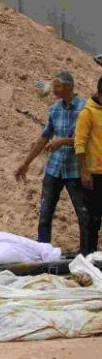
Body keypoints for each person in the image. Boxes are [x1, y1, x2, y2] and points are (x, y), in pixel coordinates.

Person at [14, 71, 87, 253]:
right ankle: (43, 252)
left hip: (75, 170)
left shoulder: (84, 109)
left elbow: (87, 139)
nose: (53, 90)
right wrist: (26, 163)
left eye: (58, 87)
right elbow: (44, 137)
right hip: (54, 169)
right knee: (45, 214)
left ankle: (86, 253)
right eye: (54, 87)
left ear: (69, 87)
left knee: (84, 215)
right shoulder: (55, 109)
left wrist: (62, 142)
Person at [74, 76, 102, 254]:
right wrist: (84, 172)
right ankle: (87, 254)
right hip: (93, 175)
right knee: (92, 218)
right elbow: (79, 144)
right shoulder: (87, 113)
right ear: (99, 93)